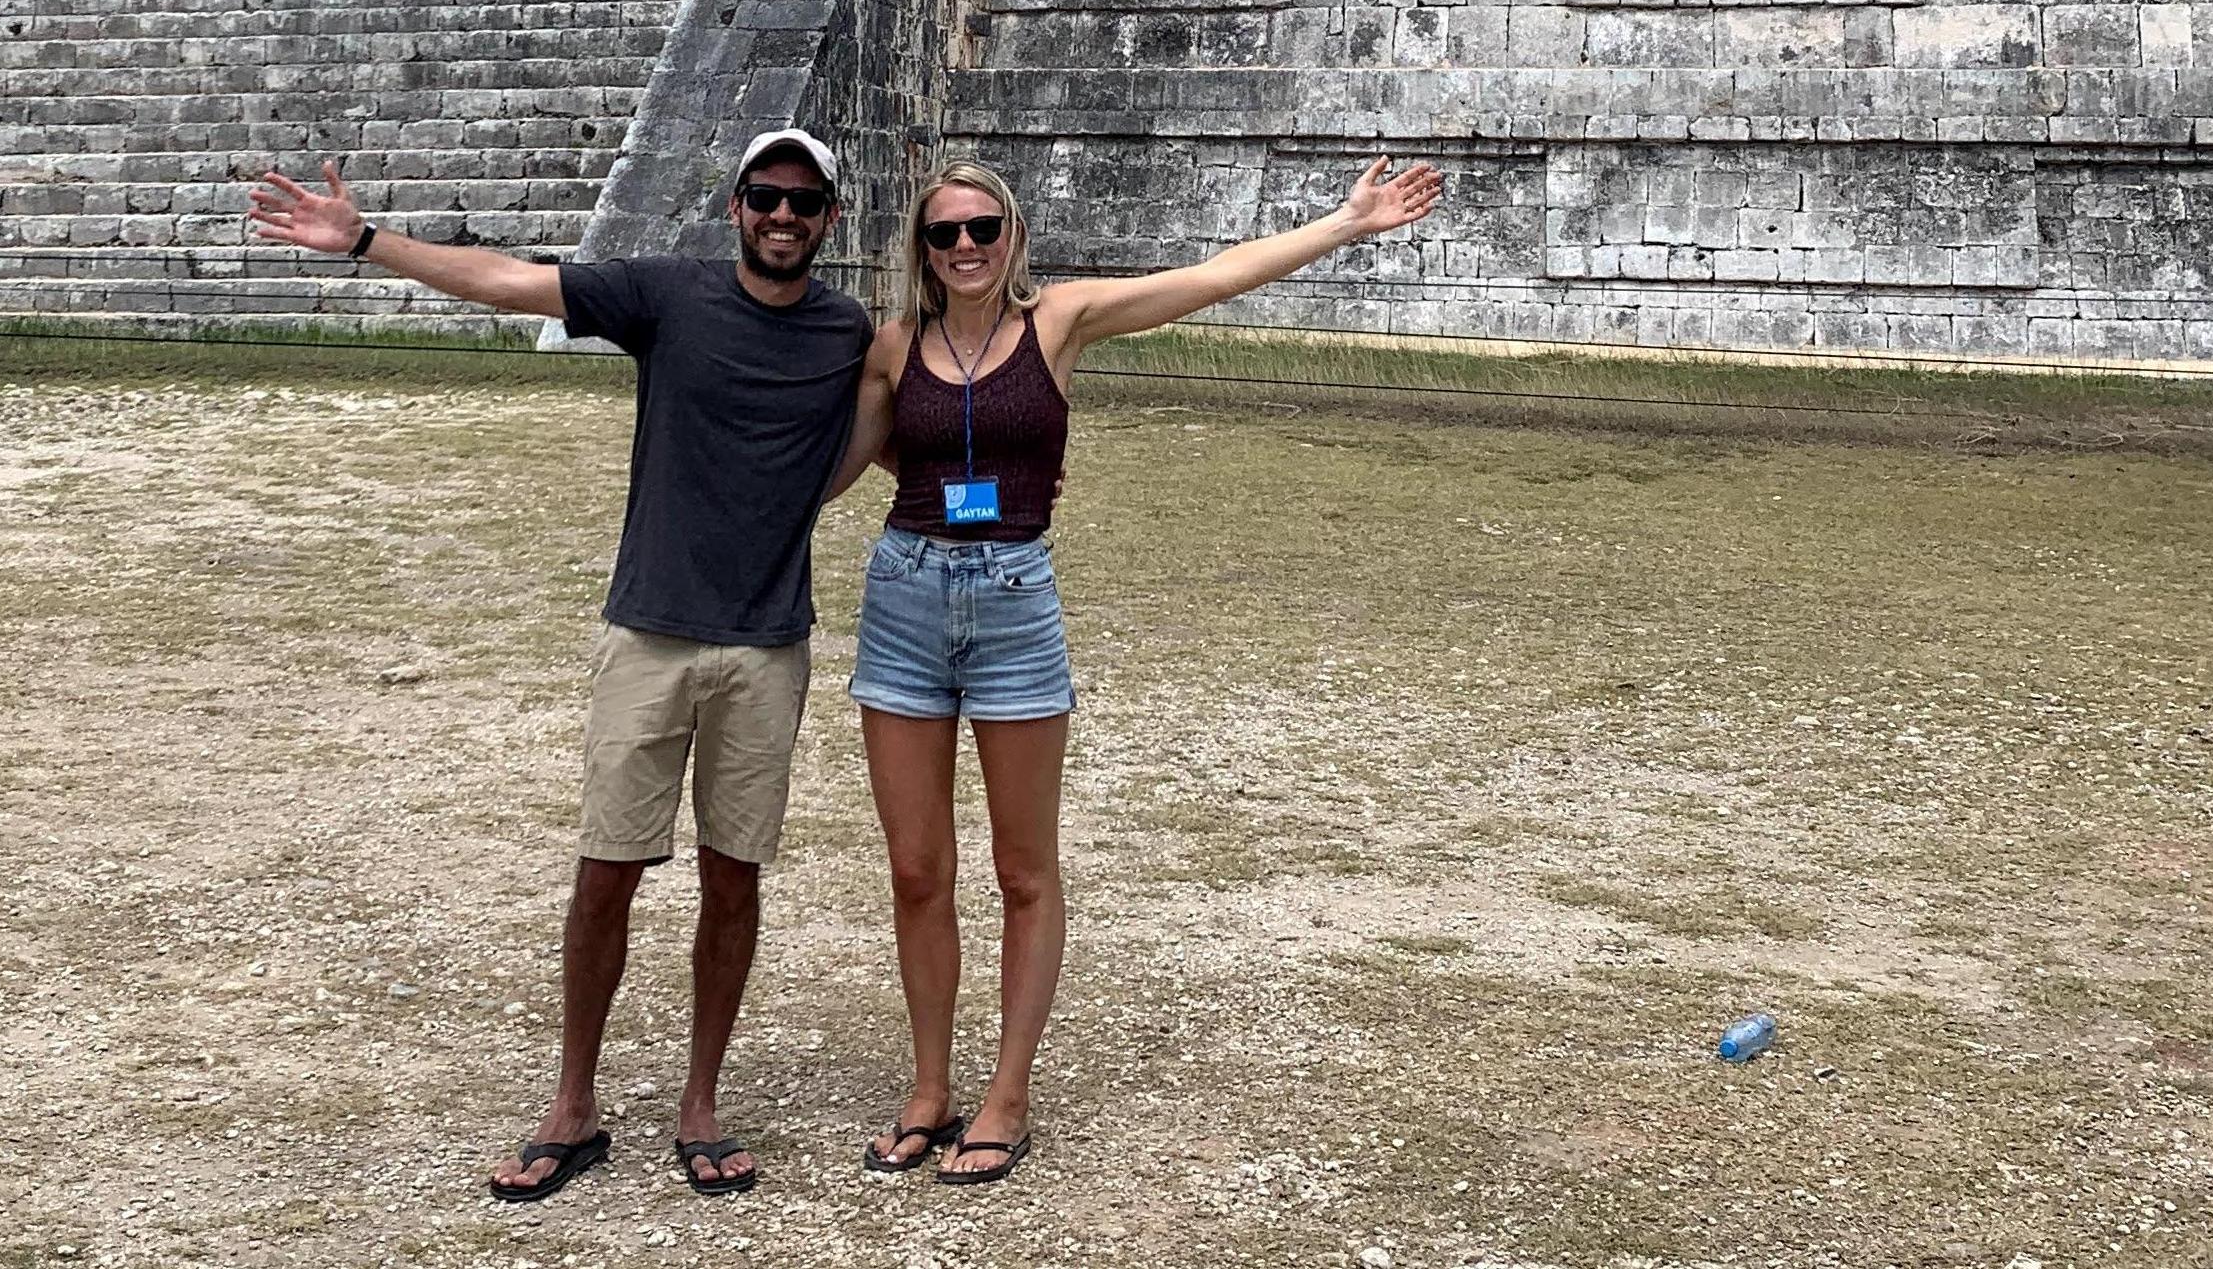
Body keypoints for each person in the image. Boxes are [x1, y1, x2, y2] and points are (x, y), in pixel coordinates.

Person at [247, 127, 872, 1205]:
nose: (783, 216)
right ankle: (573, 1103)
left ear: (828, 220)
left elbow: (896, 419)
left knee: (735, 875)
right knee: (608, 869)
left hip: (767, 644)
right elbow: (508, 284)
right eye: (765, 197)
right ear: (735, 208)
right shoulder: (665, 296)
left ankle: (700, 1103)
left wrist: (805, 504)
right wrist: (366, 242)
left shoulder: (846, 328)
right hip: (651, 631)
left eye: (804, 203)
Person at [836, 151, 1445, 1185]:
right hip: (905, 597)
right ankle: (930, 1085)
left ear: (1014, 236)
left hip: (1017, 604)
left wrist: (1342, 226)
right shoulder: (895, 346)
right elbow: (849, 460)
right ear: (923, 251)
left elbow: (1208, 277)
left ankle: (1007, 1095)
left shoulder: (1059, 323)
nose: (969, 246)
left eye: (985, 227)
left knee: (1023, 869)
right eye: (946, 233)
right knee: (915, 869)